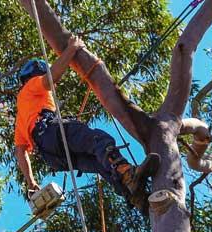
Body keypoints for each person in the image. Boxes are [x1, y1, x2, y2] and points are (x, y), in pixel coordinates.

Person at [14, 36, 159, 213]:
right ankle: (126, 173)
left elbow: (20, 151)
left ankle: (134, 195)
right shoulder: (31, 86)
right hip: (51, 131)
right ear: (36, 73)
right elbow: (52, 78)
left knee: (101, 164)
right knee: (98, 140)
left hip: (52, 156)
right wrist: (72, 49)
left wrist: (31, 182)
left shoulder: (22, 111)